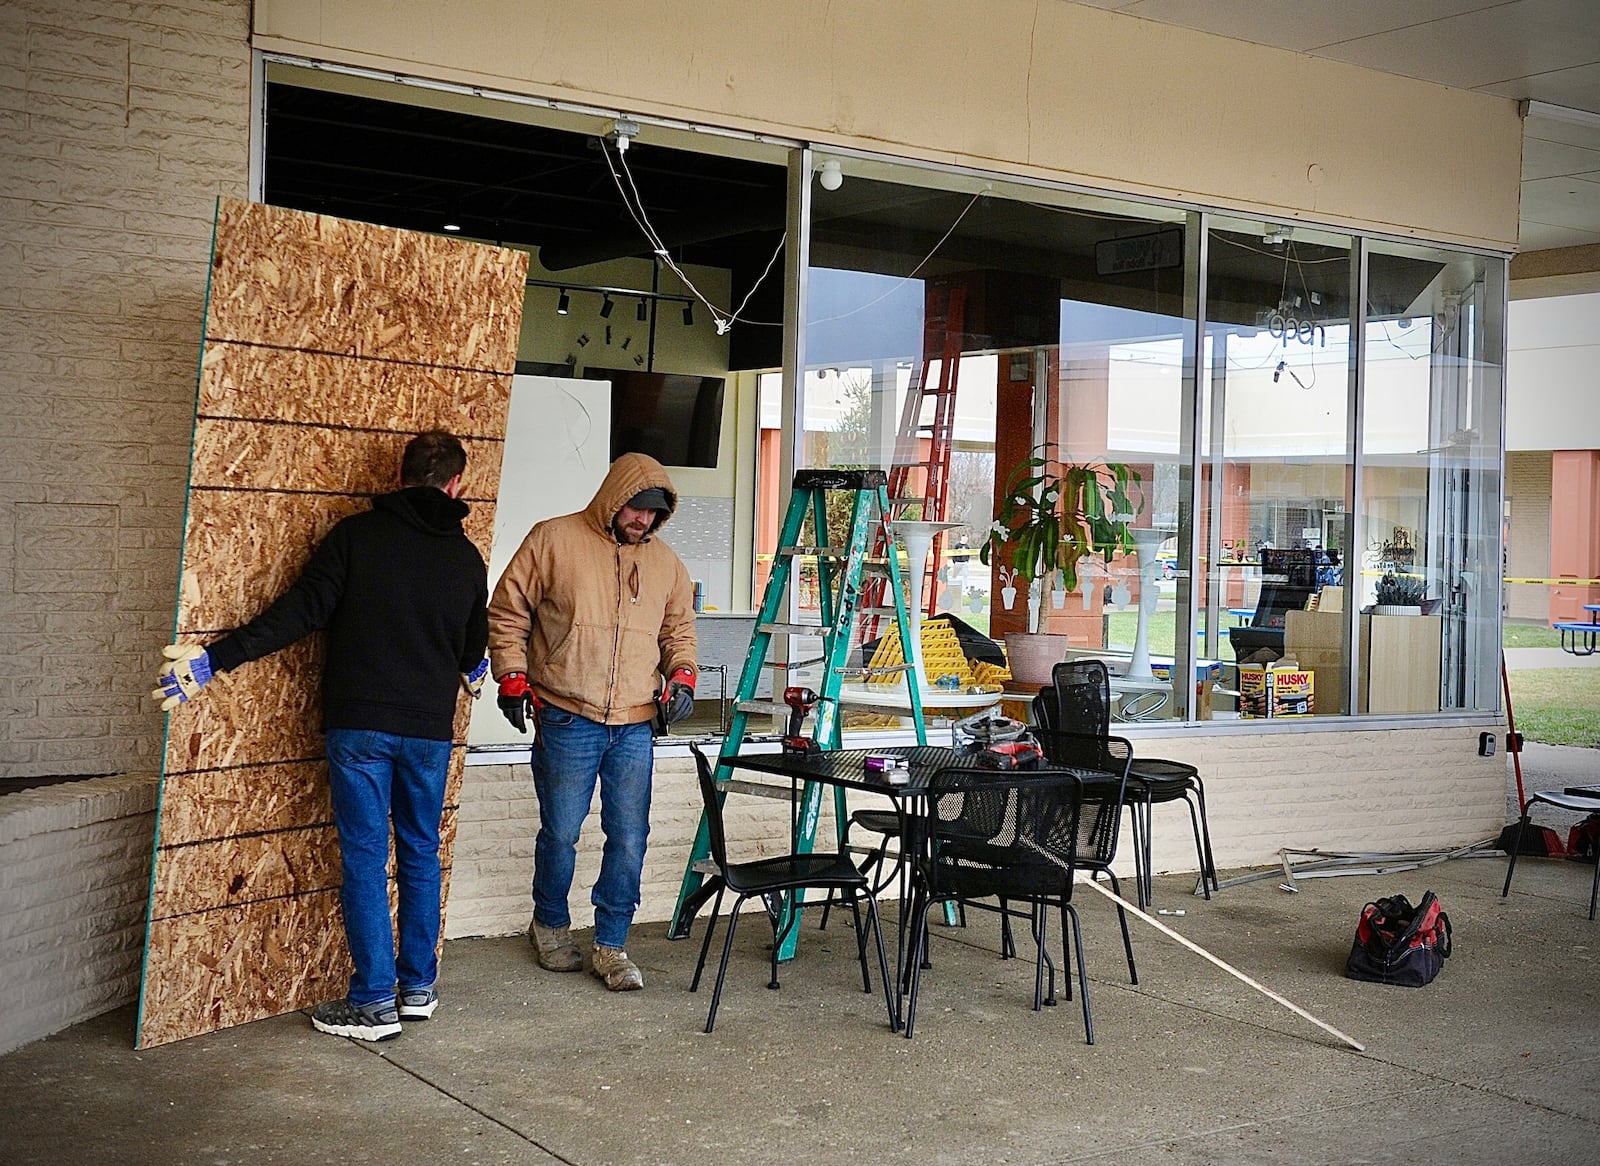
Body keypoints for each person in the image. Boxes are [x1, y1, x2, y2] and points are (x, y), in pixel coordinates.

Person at [151, 430, 490, 1042]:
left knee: (364, 858)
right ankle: (417, 990)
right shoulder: (466, 559)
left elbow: (296, 614)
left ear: (398, 476)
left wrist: (213, 661)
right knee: (417, 852)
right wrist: (472, 670)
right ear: (457, 486)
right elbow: (473, 652)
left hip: (360, 728)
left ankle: (373, 1004)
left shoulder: (356, 540)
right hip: (427, 735)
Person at [488, 451, 698, 992]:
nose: (642, 521)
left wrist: (683, 676)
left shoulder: (667, 565)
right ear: (614, 498)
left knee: (629, 836)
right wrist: (512, 677)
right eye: (635, 509)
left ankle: (611, 944)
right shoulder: (552, 540)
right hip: (566, 713)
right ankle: (551, 925)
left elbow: (679, 634)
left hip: (635, 721)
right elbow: (508, 613)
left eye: (653, 514)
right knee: (560, 832)